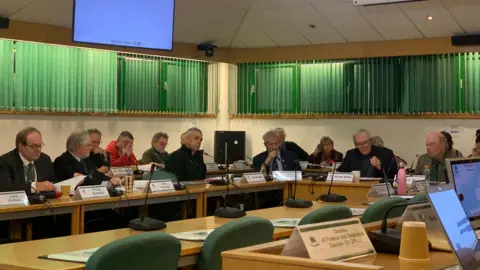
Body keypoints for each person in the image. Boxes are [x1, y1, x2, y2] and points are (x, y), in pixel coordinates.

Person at [0, 127, 55, 193]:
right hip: (18, 203)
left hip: (42, 202)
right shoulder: (5, 161)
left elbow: (53, 183)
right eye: (34, 146)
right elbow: (4, 188)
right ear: (21, 147)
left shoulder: (44, 160)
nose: (38, 150)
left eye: (40, 145)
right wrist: (34, 187)